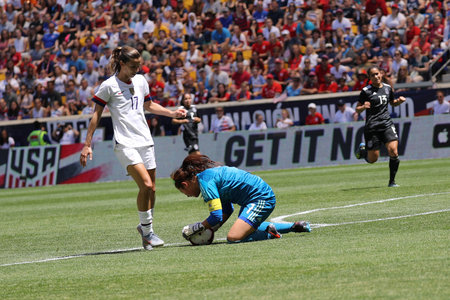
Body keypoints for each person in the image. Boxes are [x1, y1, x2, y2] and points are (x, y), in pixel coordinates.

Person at [79, 46, 186, 251]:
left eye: (139, 65)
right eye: (133, 66)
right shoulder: (108, 86)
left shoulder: (140, 81)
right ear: (121, 64)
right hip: (125, 143)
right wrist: (87, 144)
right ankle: (147, 232)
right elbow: (96, 115)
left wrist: (172, 113)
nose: (137, 69)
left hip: (145, 140)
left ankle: (146, 229)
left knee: (153, 188)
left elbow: (149, 105)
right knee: (145, 185)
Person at [171, 155, 311, 244]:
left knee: (234, 237)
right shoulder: (207, 177)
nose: (187, 195)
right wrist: (212, 229)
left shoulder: (205, 182)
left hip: (260, 198)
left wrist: (196, 228)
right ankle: (295, 226)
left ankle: (269, 233)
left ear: (185, 184)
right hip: (255, 198)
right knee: (242, 225)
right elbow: (226, 209)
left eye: (184, 192)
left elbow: (216, 215)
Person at [355, 66, 406, 187]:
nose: (376, 76)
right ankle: (363, 151)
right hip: (372, 127)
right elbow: (357, 109)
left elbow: (392, 103)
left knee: (393, 151)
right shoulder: (366, 91)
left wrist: (399, 101)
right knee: (373, 159)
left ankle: (392, 181)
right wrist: (362, 108)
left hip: (387, 124)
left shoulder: (388, 88)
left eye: (377, 74)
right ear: (369, 78)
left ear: (381, 74)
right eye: (372, 75)